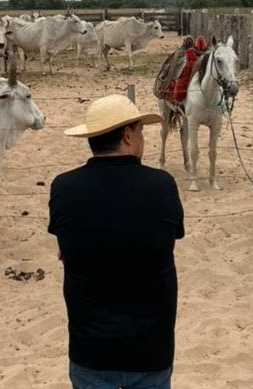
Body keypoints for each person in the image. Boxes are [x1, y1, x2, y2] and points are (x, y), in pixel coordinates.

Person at [50, 95, 184, 389]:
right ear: (127, 135)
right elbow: (167, 241)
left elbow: (66, 248)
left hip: (90, 349)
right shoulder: (161, 185)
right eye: (140, 131)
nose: (143, 139)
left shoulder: (64, 187)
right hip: (151, 349)